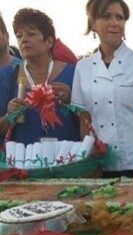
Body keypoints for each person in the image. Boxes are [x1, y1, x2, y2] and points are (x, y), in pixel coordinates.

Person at [72, 0, 133, 178]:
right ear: (93, 24)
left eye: (120, 17)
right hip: (102, 167)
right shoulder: (82, 68)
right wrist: (89, 163)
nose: (114, 23)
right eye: (106, 16)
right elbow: (85, 121)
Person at [0, 8, 79, 145]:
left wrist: (72, 102)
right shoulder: (7, 76)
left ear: (49, 41)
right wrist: (9, 117)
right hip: (25, 163)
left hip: (68, 162)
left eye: (31, 34)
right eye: (19, 36)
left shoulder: (73, 73)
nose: (23, 39)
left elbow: (92, 121)